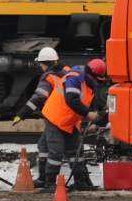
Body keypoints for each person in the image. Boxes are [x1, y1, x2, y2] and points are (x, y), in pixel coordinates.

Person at [14, 56, 106, 192]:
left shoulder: (91, 83)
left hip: (70, 120)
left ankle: (80, 182)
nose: (96, 81)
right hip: (55, 117)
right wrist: (88, 113)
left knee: (76, 152)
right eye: (95, 78)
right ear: (89, 74)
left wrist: (89, 115)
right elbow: (71, 99)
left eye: (98, 79)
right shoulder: (75, 78)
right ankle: (50, 184)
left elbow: (84, 101)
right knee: (56, 151)